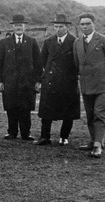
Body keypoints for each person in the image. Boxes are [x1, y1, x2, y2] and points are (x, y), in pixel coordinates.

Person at [73, 13, 105, 158]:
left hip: (103, 85)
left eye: (88, 23)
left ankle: (97, 145)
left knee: (100, 114)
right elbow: (77, 64)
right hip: (86, 85)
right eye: (82, 24)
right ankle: (94, 140)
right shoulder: (77, 43)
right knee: (90, 115)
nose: (85, 26)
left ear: (94, 24)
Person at [34, 14, 80, 146]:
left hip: (68, 81)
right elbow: (41, 62)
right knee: (46, 111)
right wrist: (41, 79)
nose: (58, 29)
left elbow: (78, 62)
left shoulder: (75, 41)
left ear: (67, 27)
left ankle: (64, 137)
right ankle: (45, 137)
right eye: (56, 26)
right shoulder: (48, 42)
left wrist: (74, 76)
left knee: (68, 112)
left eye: (61, 26)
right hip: (50, 81)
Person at [0, 14, 41, 141]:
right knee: (11, 107)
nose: (18, 27)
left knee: (25, 109)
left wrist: (38, 81)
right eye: (16, 25)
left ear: (25, 26)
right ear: (12, 27)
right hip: (9, 82)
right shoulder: (4, 43)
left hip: (27, 83)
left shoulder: (32, 42)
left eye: (20, 25)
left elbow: (38, 64)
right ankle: (12, 132)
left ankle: (26, 133)